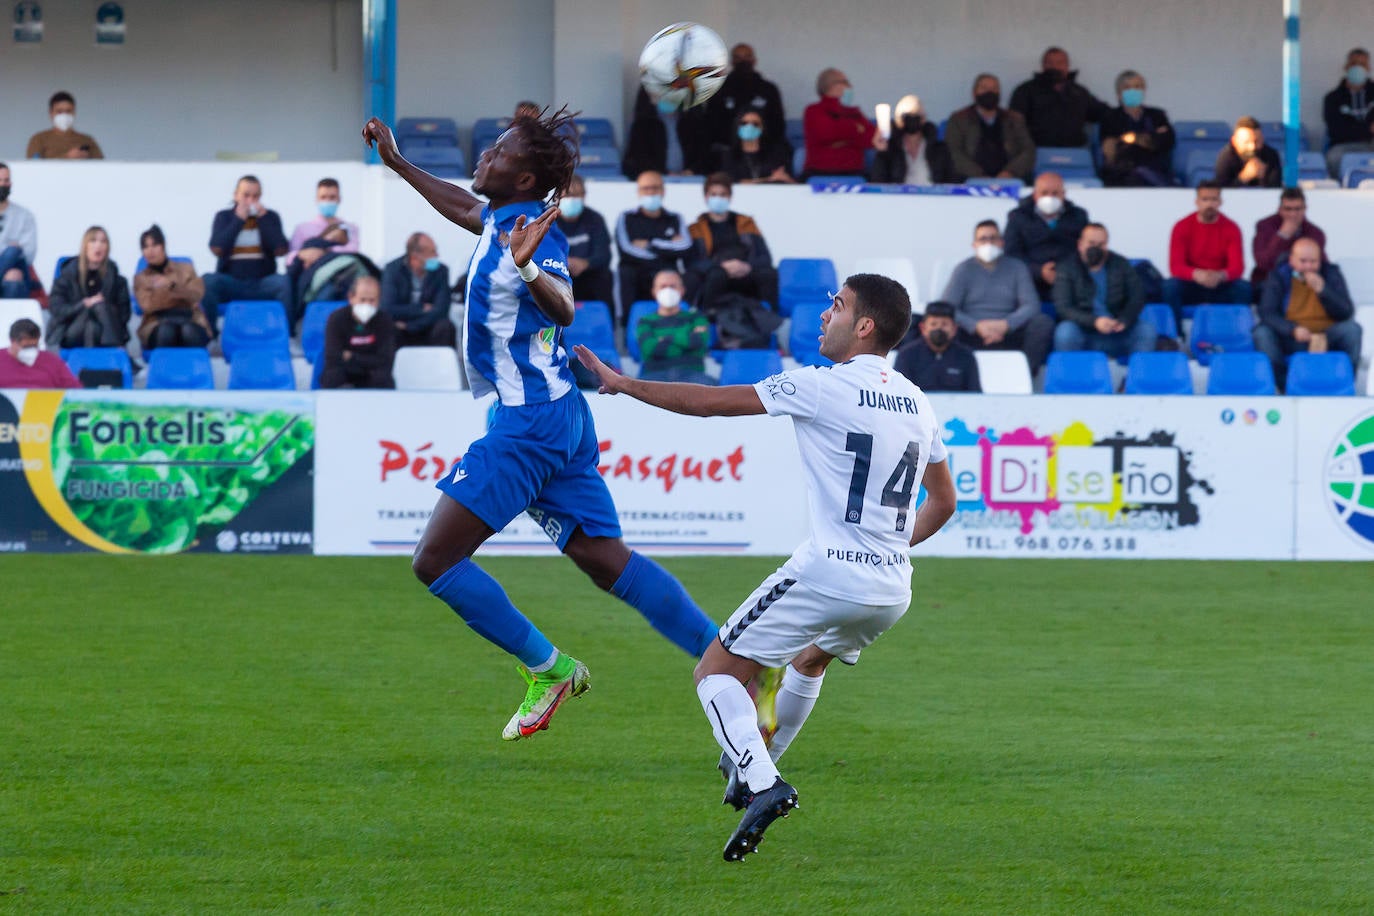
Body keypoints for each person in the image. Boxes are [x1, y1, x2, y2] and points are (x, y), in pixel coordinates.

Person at [572, 273, 957, 863]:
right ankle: (759, 767)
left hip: (829, 571)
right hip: (891, 588)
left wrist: (625, 384)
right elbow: (945, 501)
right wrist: (891, 545)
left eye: (837, 306)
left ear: (864, 326)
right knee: (810, 660)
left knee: (715, 673)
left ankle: (761, 780)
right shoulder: (917, 401)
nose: (824, 314)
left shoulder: (822, 385)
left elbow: (709, 404)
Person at [362, 107, 720, 741]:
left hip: (530, 423)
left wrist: (528, 268)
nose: (483, 156)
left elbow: (564, 305)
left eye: (497, 153)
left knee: (435, 560)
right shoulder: (502, 218)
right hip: (556, 413)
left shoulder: (536, 236)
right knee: (604, 560)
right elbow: (463, 207)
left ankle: (548, 669)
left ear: (525, 178)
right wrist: (397, 163)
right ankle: (731, 658)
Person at [943, 219, 1053, 373]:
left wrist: (1006, 324)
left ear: (1001, 242)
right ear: (974, 245)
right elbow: (948, 308)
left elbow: (1031, 305)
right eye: (983, 239)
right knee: (944, 325)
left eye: (993, 238)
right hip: (972, 333)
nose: (988, 243)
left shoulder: (1017, 268)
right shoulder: (963, 270)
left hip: (1010, 332)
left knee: (1042, 323)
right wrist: (975, 326)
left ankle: (1025, 374)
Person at [1255, 238, 1361, 391]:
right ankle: (1284, 386)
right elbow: (1267, 312)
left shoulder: (1331, 273)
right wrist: (1292, 329)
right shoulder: (1279, 276)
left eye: (1313, 261)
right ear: (1292, 260)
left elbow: (1346, 312)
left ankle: (1344, 383)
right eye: (1303, 261)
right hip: (1293, 337)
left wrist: (1324, 290)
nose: (1309, 266)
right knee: (1262, 333)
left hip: (1326, 335)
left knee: (1352, 330)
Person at [1052, 223, 1155, 359]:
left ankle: (1137, 372)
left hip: (1117, 330)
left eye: (1101, 244)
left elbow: (1137, 297)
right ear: (1080, 244)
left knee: (1146, 330)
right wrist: (1095, 321)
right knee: (1065, 332)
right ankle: (1071, 372)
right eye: (1091, 243)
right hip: (1083, 330)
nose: (1096, 248)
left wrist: (1125, 319)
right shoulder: (1066, 268)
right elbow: (1063, 307)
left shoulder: (1121, 264)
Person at [203, 175, 292, 327]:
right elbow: (217, 248)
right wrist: (238, 220)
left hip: (262, 282)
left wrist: (263, 219)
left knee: (284, 282)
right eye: (246, 195)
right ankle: (209, 333)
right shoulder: (224, 217)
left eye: (255, 196)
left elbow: (281, 249)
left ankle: (288, 333)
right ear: (236, 195)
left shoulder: (270, 217)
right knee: (208, 281)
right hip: (232, 281)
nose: (250, 200)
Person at [686, 172, 779, 318]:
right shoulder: (695, 229)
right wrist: (721, 267)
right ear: (706, 197)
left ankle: (769, 318)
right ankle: (709, 318)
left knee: (769, 273)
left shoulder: (747, 223)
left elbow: (765, 257)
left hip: (745, 272)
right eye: (714, 194)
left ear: (730, 197)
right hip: (715, 274)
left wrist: (747, 266)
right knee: (715, 275)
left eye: (723, 194)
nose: (718, 198)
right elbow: (693, 262)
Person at [1164, 180, 1250, 327]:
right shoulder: (1182, 226)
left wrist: (1220, 276)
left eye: (1214, 199)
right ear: (1197, 202)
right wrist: (1197, 274)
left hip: (1220, 284)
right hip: (1192, 284)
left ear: (1220, 202)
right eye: (1205, 199)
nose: (1209, 204)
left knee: (1243, 288)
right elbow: (1176, 266)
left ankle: (1237, 331)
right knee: (1170, 286)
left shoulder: (1231, 228)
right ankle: (1175, 334)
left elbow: (1237, 267)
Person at [615, 170, 693, 326]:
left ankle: (685, 325)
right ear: (638, 192)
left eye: (655, 188)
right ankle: (627, 326)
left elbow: (685, 246)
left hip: (667, 271)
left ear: (663, 191)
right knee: (625, 273)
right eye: (646, 188)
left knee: (687, 276)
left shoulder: (675, 218)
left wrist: (650, 244)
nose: (650, 192)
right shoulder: (626, 217)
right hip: (637, 271)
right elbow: (627, 249)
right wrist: (668, 247)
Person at [1003, 171, 1090, 301]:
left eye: (1055, 193)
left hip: (1070, 284)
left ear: (1063, 194)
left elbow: (1085, 250)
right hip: (1029, 286)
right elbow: (1011, 254)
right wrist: (1039, 271)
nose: (1049, 198)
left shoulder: (1078, 216)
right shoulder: (1018, 217)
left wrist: (1063, 272)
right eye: (1044, 193)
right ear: (1035, 194)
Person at [46, 226, 131, 350]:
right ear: (85, 245)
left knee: (93, 325)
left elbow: (124, 316)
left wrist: (103, 308)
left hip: (102, 330)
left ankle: (98, 358)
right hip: (71, 329)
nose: (98, 245)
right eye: (93, 241)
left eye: (103, 241)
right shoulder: (66, 276)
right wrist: (84, 304)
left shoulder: (118, 280)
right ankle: (116, 349)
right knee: (97, 307)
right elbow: (57, 310)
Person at [944, 74, 1036, 183]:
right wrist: (978, 175)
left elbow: (1028, 150)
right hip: (970, 179)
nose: (990, 92)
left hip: (1010, 178)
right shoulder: (958, 119)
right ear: (974, 93)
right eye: (984, 88)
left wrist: (1010, 172)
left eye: (994, 88)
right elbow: (953, 152)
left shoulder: (1015, 119)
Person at [1009, 47, 1107, 149]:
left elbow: (1102, 113)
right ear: (1043, 66)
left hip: (1075, 151)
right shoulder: (1025, 91)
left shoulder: (1080, 93)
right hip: (1036, 151)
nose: (1055, 66)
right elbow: (1014, 124)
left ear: (1067, 66)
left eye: (1060, 63)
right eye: (1049, 63)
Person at [133, 225, 211, 351]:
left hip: (189, 319)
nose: (150, 251)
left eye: (154, 245)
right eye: (145, 247)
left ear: (163, 246)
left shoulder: (186, 269)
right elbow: (148, 306)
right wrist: (179, 296)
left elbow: (196, 294)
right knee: (167, 331)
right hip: (157, 323)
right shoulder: (141, 278)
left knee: (188, 331)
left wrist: (171, 285)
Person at [706, 43, 788, 158]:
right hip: (726, 150)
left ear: (754, 60)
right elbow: (711, 124)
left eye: (747, 56)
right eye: (738, 57)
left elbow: (777, 123)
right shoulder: (719, 90)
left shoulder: (768, 89)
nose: (743, 61)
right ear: (732, 61)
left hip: (763, 149)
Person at [1098, 69, 1175, 187]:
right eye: (1127, 88)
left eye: (1138, 87)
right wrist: (1149, 139)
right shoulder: (1110, 117)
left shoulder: (1157, 115)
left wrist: (1133, 138)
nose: (1133, 91)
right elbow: (1113, 148)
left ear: (1144, 90)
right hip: (1123, 176)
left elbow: (1167, 141)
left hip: (1156, 172)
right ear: (1119, 93)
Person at [380, 232, 457, 348]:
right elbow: (387, 308)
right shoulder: (392, 270)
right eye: (432, 252)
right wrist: (420, 308)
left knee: (446, 327)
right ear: (415, 257)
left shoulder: (441, 271)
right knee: (387, 328)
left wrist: (410, 326)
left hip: (426, 326)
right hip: (400, 328)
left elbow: (441, 310)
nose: (437, 255)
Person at [636, 270, 714, 385]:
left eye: (673, 286)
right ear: (654, 291)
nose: (668, 290)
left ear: (682, 290)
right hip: (654, 376)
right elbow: (650, 348)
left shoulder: (696, 317)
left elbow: (698, 342)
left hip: (693, 375)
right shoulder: (645, 321)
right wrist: (685, 342)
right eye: (663, 286)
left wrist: (665, 339)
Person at [802, 68, 881, 177]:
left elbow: (871, 139)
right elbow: (827, 133)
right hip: (819, 173)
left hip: (854, 173)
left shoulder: (854, 112)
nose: (850, 86)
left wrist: (841, 139)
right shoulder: (813, 111)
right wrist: (856, 130)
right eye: (846, 82)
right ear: (832, 86)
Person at [320, 276, 396, 389]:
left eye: (372, 300)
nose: (367, 304)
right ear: (351, 298)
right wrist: (367, 359)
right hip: (344, 370)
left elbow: (385, 360)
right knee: (332, 376)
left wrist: (351, 356)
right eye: (362, 300)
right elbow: (333, 356)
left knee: (383, 378)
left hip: (372, 372)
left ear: (379, 300)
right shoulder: (336, 319)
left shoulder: (385, 321)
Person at [621, 86, 714, 178]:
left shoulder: (694, 122)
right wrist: (663, 173)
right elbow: (638, 159)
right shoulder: (642, 125)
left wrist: (690, 171)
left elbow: (705, 156)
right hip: (657, 180)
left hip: (691, 181)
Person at [893, 301, 981, 392]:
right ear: (923, 328)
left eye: (944, 324)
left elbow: (975, 395)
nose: (939, 328)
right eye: (933, 324)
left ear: (954, 329)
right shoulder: (907, 355)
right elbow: (899, 391)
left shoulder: (966, 356)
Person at [869, 95, 956, 185]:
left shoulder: (940, 149)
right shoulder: (890, 149)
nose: (912, 118)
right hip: (899, 193)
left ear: (923, 118)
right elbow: (877, 182)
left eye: (916, 114)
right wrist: (881, 153)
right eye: (907, 115)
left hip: (931, 192)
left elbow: (951, 182)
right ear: (899, 119)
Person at [1251, 187, 1326, 291]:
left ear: (1305, 209)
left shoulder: (1315, 233)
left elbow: (1321, 262)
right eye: (1288, 209)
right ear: (1280, 209)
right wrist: (1282, 236)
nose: (1293, 214)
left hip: (1303, 281)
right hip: (1268, 280)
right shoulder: (1265, 226)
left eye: (1297, 209)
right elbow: (1263, 263)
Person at [556, 175, 615, 304]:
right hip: (557, 272)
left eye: (577, 195)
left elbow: (604, 255)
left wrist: (585, 264)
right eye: (568, 195)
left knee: (605, 276)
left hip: (587, 273)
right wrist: (564, 263)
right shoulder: (547, 220)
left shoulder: (595, 219)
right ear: (557, 196)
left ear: (584, 196)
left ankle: (605, 316)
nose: (572, 199)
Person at [1323, 48, 1374, 179]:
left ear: (1368, 68)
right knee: (1334, 157)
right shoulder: (1333, 98)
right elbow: (1336, 130)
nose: (1358, 68)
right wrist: (1368, 129)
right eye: (1354, 64)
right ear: (1346, 67)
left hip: (1372, 143)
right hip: (1344, 146)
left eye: (1362, 64)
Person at [287, 178, 361, 264]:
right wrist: (303, 254)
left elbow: (352, 250)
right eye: (323, 197)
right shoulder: (302, 228)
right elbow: (290, 258)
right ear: (317, 199)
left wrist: (324, 252)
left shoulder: (350, 228)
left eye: (332, 197)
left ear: (339, 199)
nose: (327, 201)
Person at [719, 109, 796, 184]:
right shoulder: (729, 155)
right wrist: (769, 179)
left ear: (762, 128)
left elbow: (785, 179)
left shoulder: (776, 154)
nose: (749, 127)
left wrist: (786, 179)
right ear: (737, 126)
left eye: (755, 124)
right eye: (744, 123)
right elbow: (730, 183)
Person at [0, 318, 81, 388]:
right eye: (26, 347)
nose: (30, 351)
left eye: (34, 346)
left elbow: (74, 390)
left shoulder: (53, 362)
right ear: (12, 341)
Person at [25, 92, 104, 160]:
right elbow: (33, 167)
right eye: (59, 111)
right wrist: (67, 157)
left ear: (74, 113)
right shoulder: (39, 139)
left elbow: (102, 166)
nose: (64, 115)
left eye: (68, 111)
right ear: (51, 113)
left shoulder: (87, 140)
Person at [0, 163, 39, 299]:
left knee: (13, 257)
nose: (3, 184)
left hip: (17, 268)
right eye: (0, 180)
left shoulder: (24, 215)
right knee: (12, 251)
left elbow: (29, 254)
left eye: (6, 180)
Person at [1214, 117, 1282, 188]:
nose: (1252, 147)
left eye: (1257, 141)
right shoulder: (1226, 158)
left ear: (1262, 139)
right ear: (1234, 141)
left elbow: (1275, 189)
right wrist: (1244, 178)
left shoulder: (1271, 155)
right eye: (1247, 142)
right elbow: (1221, 190)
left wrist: (1263, 177)